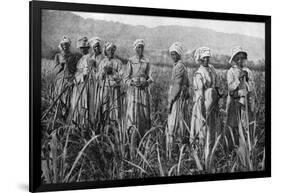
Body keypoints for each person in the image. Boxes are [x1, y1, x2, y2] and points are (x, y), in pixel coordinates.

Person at [225, 46, 256, 151]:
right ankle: (232, 149)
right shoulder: (231, 72)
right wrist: (239, 79)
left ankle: (246, 149)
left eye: (242, 58)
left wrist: (246, 79)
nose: (240, 61)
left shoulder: (248, 71)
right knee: (234, 125)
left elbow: (252, 88)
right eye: (237, 58)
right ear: (234, 59)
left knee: (246, 125)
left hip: (246, 101)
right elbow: (231, 89)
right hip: (235, 102)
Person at [190, 47, 221, 147]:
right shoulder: (199, 74)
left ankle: (211, 147)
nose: (206, 59)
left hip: (212, 102)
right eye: (204, 58)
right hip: (203, 103)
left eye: (208, 57)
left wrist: (218, 94)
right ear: (200, 59)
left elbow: (216, 83)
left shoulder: (212, 69)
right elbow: (200, 94)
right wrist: (201, 109)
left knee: (212, 126)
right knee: (202, 125)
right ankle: (201, 149)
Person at [124, 39, 153, 137]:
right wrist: (132, 83)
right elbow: (126, 78)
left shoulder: (147, 61)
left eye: (142, 47)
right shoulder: (131, 61)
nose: (140, 49)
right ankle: (132, 135)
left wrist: (146, 83)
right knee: (133, 113)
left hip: (143, 91)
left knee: (143, 114)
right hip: (133, 92)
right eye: (138, 47)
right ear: (135, 49)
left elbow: (150, 77)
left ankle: (143, 136)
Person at [167, 42, 189, 159]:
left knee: (174, 123)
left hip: (177, 99)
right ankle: (178, 150)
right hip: (180, 98)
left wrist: (170, 101)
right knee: (179, 123)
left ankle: (174, 152)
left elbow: (177, 85)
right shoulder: (180, 66)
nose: (173, 56)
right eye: (172, 54)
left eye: (175, 54)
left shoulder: (179, 67)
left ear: (179, 54)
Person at [70, 37, 94, 127]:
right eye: (81, 48)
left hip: (85, 85)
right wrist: (76, 78)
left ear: (88, 48)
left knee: (84, 103)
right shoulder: (80, 59)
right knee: (77, 103)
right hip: (78, 84)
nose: (82, 50)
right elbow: (78, 72)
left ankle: (85, 124)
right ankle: (77, 124)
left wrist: (82, 75)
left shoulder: (90, 58)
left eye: (84, 48)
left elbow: (88, 72)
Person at [97, 42, 123, 125]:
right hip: (105, 88)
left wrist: (112, 72)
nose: (111, 51)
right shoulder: (102, 62)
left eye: (112, 50)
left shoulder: (118, 62)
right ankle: (104, 125)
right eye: (109, 50)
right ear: (105, 51)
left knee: (114, 108)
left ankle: (113, 127)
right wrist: (103, 73)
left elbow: (122, 76)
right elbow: (98, 77)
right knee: (105, 107)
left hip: (114, 88)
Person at [53, 36, 77, 119]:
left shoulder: (73, 56)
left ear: (69, 45)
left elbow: (74, 69)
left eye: (66, 44)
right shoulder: (58, 56)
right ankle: (58, 116)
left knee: (68, 98)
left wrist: (69, 68)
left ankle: (66, 116)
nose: (65, 46)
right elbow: (55, 69)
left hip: (68, 79)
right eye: (63, 44)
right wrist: (61, 65)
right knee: (59, 98)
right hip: (60, 80)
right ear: (61, 45)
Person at [88, 37, 105, 127]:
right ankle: (92, 124)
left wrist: (95, 69)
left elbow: (103, 72)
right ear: (92, 48)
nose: (97, 48)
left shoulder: (103, 58)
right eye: (94, 47)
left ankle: (100, 124)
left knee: (99, 104)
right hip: (92, 84)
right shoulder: (91, 58)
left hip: (101, 84)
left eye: (98, 46)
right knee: (92, 104)